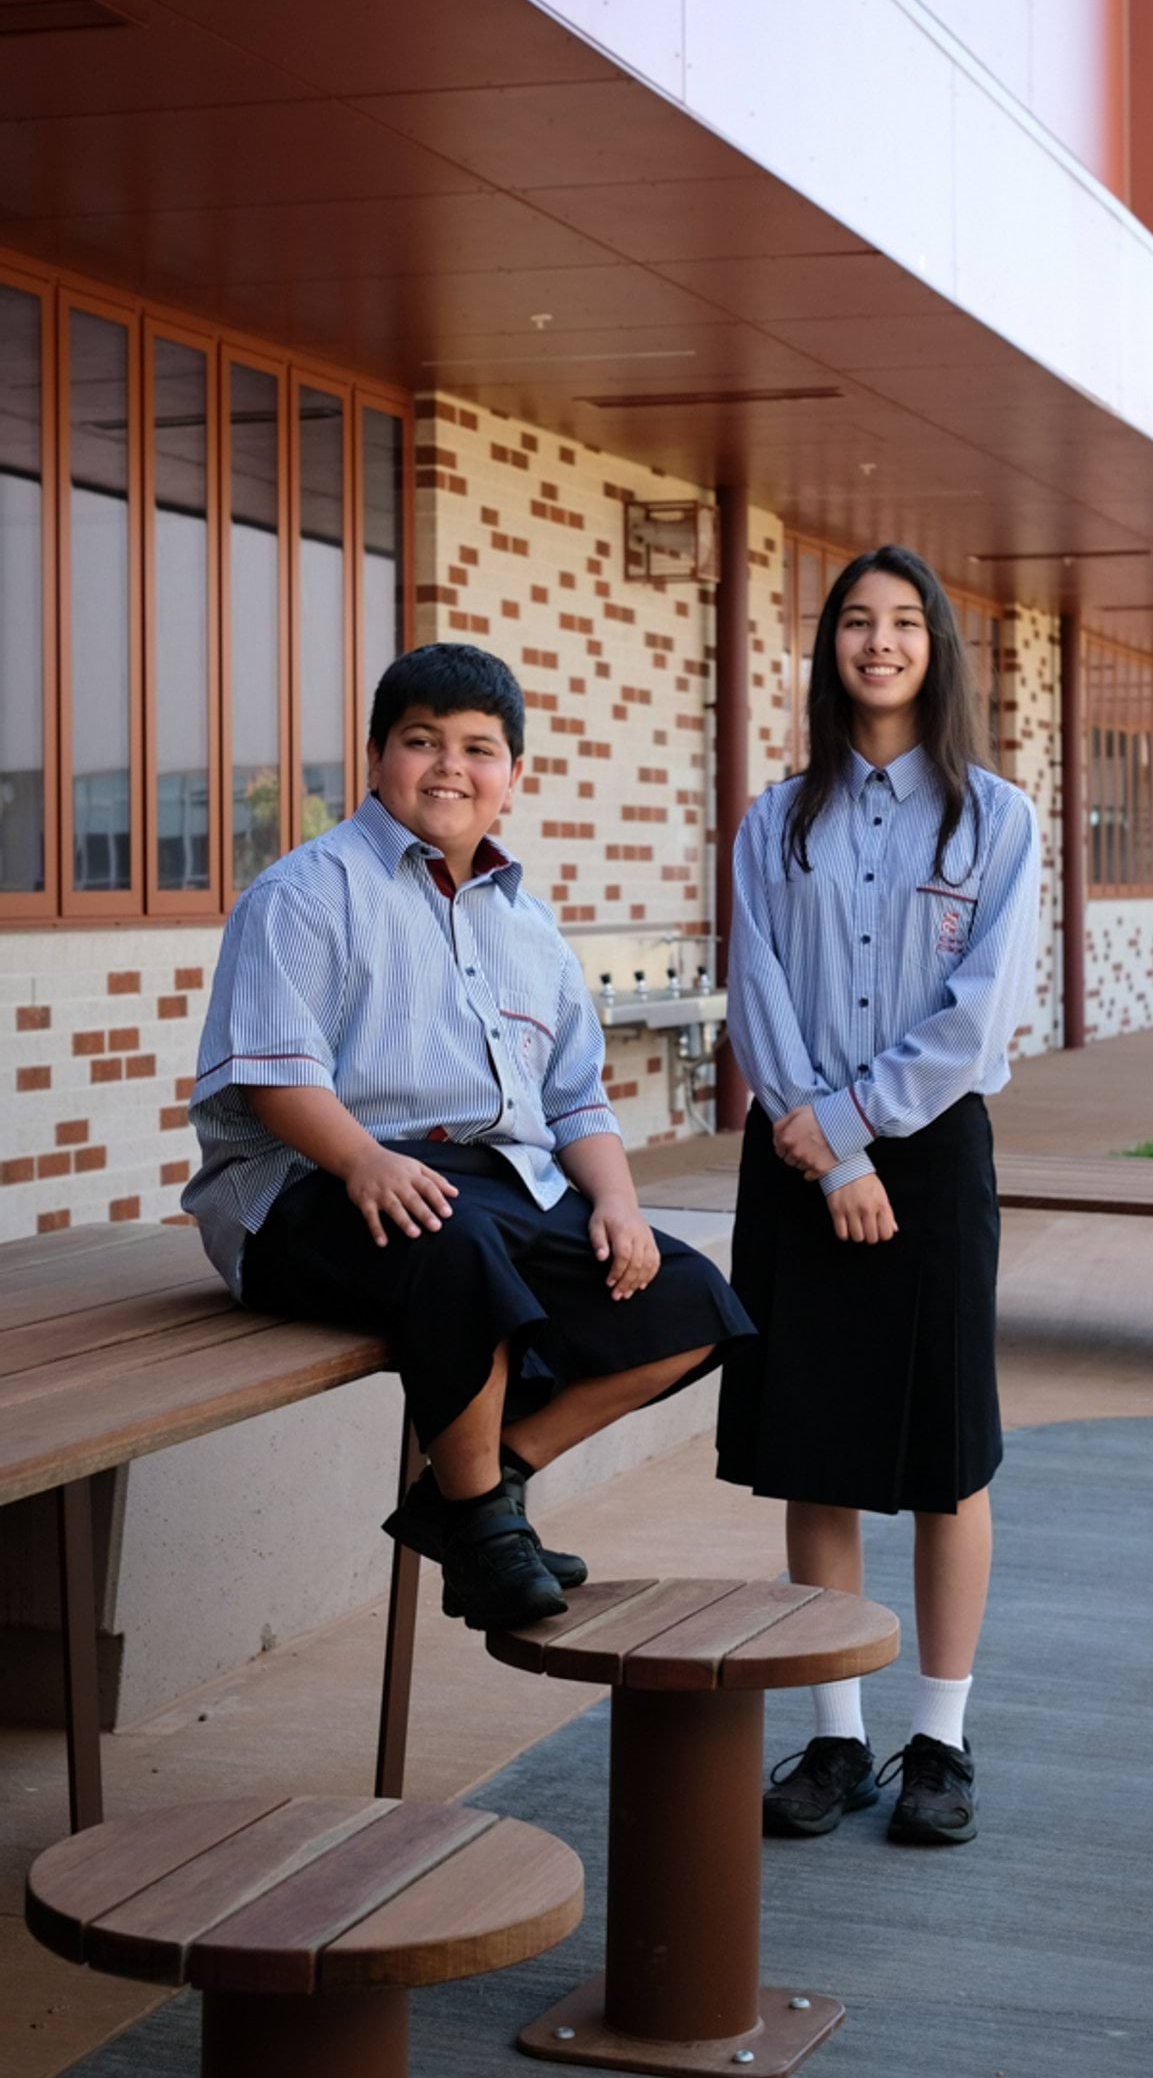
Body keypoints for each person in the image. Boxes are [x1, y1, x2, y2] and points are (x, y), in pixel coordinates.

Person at [185, 642, 752, 1634]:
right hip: (309, 1183)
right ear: (374, 759)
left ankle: (477, 1503)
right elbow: (278, 1082)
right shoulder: (307, 893)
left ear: (513, 780)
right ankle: (489, 1534)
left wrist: (618, 1203)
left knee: (691, 1298)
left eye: (478, 748)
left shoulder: (530, 929)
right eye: (421, 741)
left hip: (488, 1185)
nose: (450, 766)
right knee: (456, 1246)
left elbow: (576, 1102)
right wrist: (362, 1157)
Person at [716, 547, 1039, 1846]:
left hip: (930, 1153)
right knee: (819, 1451)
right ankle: (836, 1736)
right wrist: (829, 1156)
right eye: (857, 620)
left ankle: (941, 1742)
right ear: (829, 647)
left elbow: (981, 1021)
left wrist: (854, 1132)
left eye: (905, 621)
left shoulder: (994, 820)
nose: (880, 641)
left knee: (947, 1461)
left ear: (937, 648)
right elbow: (759, 997)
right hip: (800, 1161)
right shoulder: (772, 820)